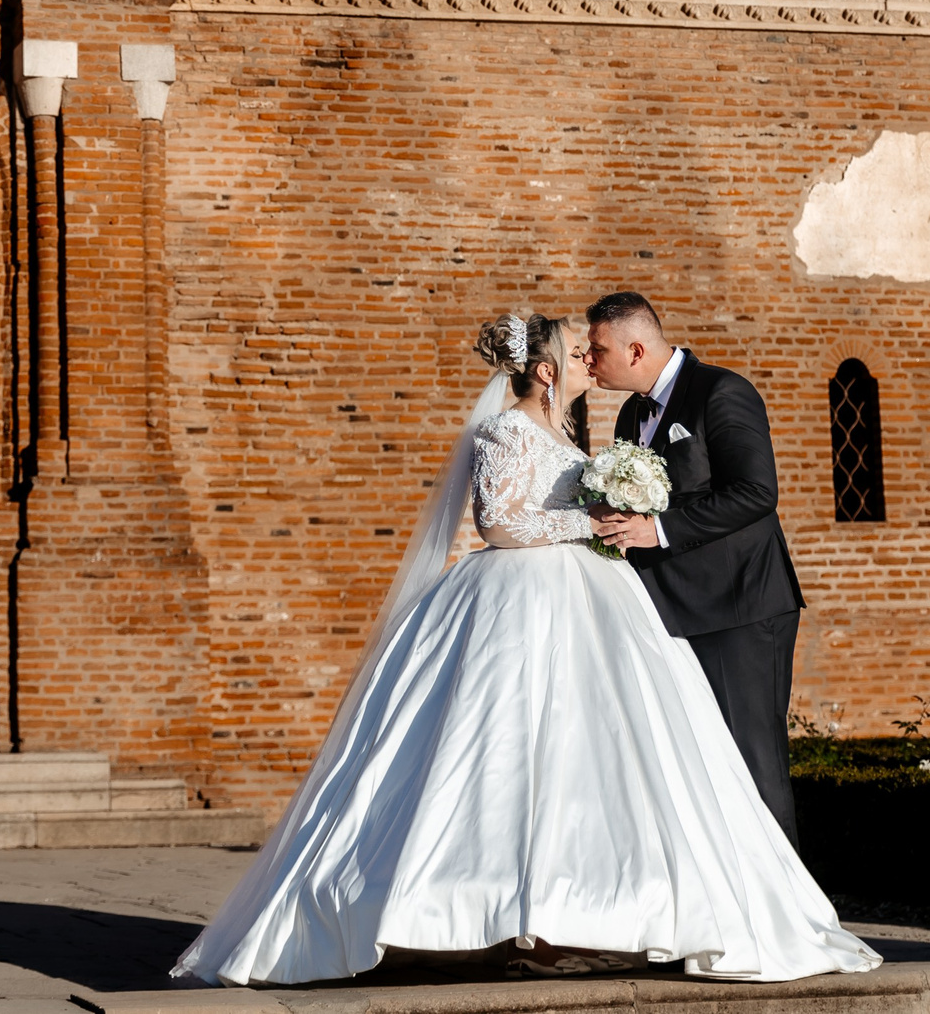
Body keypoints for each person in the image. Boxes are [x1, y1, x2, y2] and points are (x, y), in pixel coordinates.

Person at [172, 312, 877, 988]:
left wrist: (610, 521)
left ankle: (599, 908)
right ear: (544, 371)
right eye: (576, 353)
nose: (588, 361)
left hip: (601, 598)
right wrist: (593, 520)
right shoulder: (505, 429)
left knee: (596, 754)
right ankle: (487, 908)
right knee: (508, 750)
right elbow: (501, 522)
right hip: (518, 601)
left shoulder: (580, 428)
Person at [582, 291, 808, 846]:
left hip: (740, 609)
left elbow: (756, 493)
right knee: (696, 765)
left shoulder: (722, 392)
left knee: (752, 763)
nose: (590, 360)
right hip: (672, 613)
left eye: (598, 348)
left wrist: (655, 529)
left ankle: (786, 921)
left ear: (635, 349)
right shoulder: (633, 412)